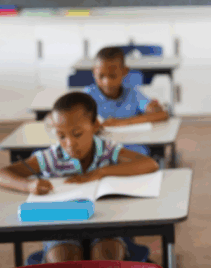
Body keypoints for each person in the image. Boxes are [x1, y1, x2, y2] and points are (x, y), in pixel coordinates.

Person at [0, 92, 160, 262]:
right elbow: (2, 174)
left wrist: (99, 172)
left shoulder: (107, 150)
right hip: (60, 226)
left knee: (106, 258)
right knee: (66, 259)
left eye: (77, 134)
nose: (69, 143)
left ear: (95, 126)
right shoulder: (52, 157)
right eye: (61, 136)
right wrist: (28, 186)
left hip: (106, 223)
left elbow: (150, 164)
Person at [83, 47, 169, 156]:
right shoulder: (88, 95)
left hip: (133, 150)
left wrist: (120, 123)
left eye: (112, 76)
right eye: (101, 76)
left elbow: (162, 115)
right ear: (93, 72)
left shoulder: (132, 93)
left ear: (125, 71)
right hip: (101, 152)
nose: (107, 82)